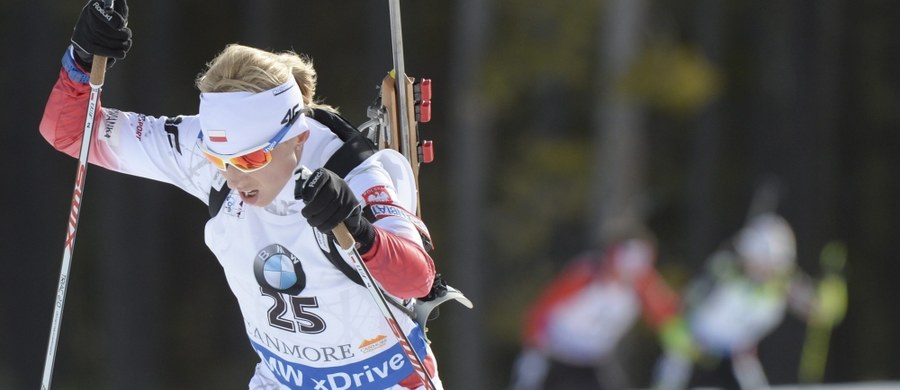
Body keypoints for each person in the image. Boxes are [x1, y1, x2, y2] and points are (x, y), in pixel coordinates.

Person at [40, 1, 445, 389]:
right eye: (221, 159)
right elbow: (70, 131)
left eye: (250, 159)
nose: (233, 177)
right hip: (283, 379)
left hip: (387, 379)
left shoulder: (356, 172)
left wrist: (360, 230)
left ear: (297, 139)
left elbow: (416, 279)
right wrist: (80, 60)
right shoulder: (202, 149)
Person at [652, 212, 844, 390]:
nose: (763, 270)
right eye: (754, 261)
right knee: (677, 355)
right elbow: (691, 297)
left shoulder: (783, 283)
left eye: (770, 264)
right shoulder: (726, 269)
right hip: (702, 339)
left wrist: (823, 303)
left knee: (745, 364)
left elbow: (813, 307)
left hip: (739, 344)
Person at [509, 222, 684, 390]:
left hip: (594, 362)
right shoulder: (586, 275)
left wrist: (677, 352)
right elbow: (541, 310)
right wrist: (533, 353)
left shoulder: (642, 283)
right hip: (557, 358)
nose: (630, 272)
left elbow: (666, 315)